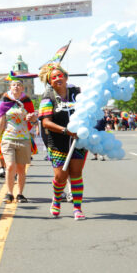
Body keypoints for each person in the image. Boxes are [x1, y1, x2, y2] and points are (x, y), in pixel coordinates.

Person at [38, 63, 88, 220]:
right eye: (53, 77)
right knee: (60, 176)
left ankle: (77, 208)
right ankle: (56, 198)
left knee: (76, 174)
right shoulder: (48, 98)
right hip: (58, 141)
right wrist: (66, 130)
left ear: (66, 78)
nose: (58, 79)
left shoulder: (77, 93)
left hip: (78, 141)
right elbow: (46, 122)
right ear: (49, 82)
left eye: (60, 76)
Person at [0, 79, 37, 202]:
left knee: (21, 168)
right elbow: (1, 123)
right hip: (8, 139)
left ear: (22, 88)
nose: (16, 87)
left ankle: (20, 194)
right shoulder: (5, 102)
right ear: (10, 88)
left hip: (23, 139)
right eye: (13, 85)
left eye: (18, 85)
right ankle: (9, 193)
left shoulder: (27, 102)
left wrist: (31, 118)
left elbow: (33, 122)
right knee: (10, 166)